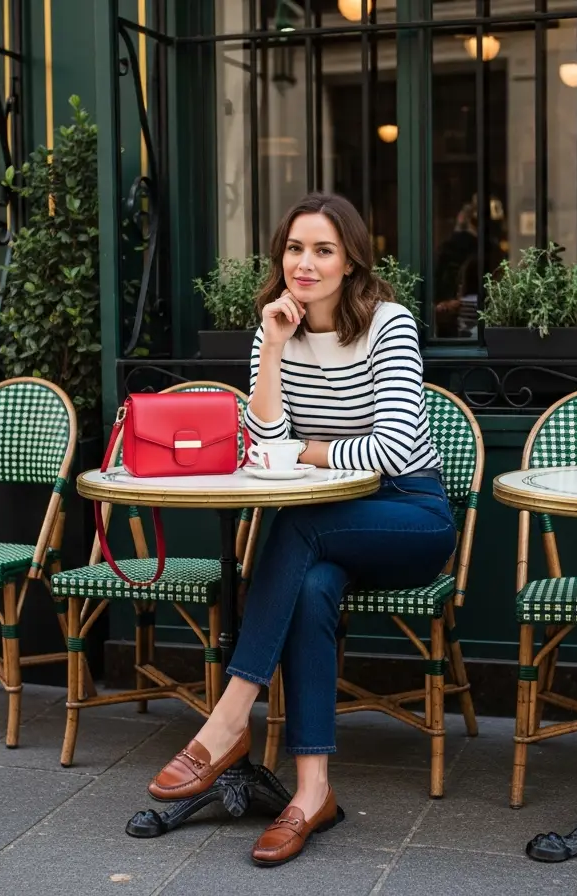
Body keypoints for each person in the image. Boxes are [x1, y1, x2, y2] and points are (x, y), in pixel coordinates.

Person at [146, 192, 458, 866]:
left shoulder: (389, 324)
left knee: (298, 528)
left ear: (350, 262)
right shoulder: (274, 329)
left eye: (323, 250)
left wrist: (312, 452)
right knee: (311, 582)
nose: (305, 264)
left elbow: (395, 449)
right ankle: (312, 791)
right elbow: (265, 440)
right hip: (325, 525)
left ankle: (230, 717)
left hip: (410, 516)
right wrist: (275, 350)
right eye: (295, 248)